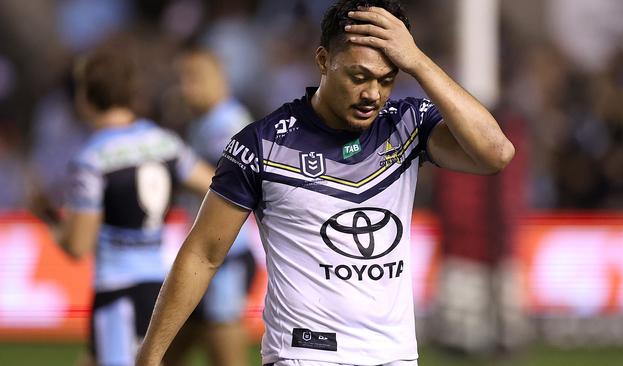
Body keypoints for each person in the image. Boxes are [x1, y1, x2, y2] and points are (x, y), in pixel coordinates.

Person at [136, 1, 515, 365]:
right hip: (306, 355)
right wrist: (150, 357)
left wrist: (417, 61)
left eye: (386, 80)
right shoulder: (262, 144)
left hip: (396, 355)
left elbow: (495, 153)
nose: (372, 94)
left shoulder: (407, 124)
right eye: (358, 76)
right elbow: (203, 253)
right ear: (323, 60)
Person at [32, 40, 215, 366]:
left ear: (85, 97)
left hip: (118, 293)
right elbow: (215, 185)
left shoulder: (91, 160)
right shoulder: (163, 142)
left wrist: (49, 219)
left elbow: (77, 245)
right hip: (160, 289)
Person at [162, 46, 257, 366]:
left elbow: (227, 187)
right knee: (165, 350)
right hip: (207, 257)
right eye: (182, 79)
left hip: (224, 259)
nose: (187, 87)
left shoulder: (227, 122)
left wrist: (179, 163)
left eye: (195, 78)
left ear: (221, 80)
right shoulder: (202, 123)